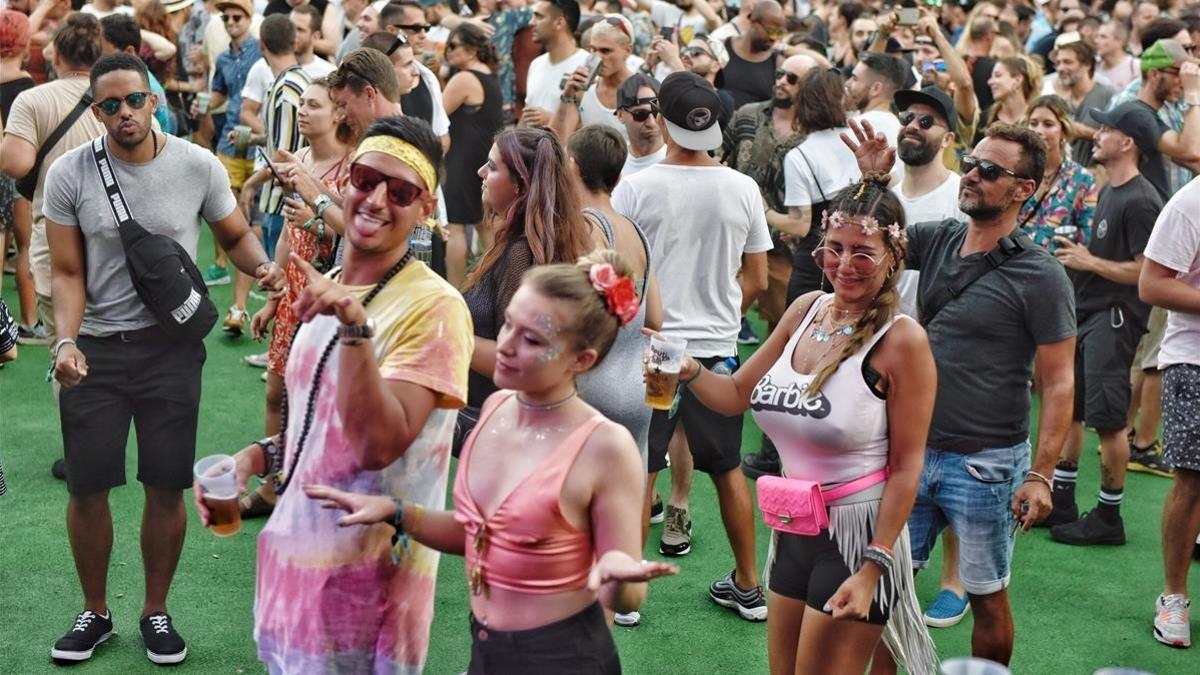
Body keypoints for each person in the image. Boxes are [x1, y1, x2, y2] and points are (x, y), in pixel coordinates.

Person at [308, 250, 677, 673]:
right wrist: (397, 512)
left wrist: (618, 575)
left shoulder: (605, 447)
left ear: (582, 360)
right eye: (508, 325)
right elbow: (479, 534)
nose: (505, 345)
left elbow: (626, 592)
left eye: (532, 339)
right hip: (487, 653)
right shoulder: (496, 407)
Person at [197, 116, 473, 673]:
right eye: (366, 178)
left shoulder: (435, 307)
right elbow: (321, 429)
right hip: (291, 572)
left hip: (365, 596)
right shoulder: (335, 284)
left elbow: (377, 444)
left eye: (400, 191)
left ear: (425, 209)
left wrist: (354, 328)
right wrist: (258, 456)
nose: (374, 199)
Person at [44, 52, 280, 665]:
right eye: (109, 105)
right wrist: (66, 342)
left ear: (154, 98)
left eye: (133, 99)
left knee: (165, 485)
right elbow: (68, 274)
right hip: (94, 351)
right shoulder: (70, 174)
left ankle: (156, 612)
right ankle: (95, 612)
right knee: (89, 487)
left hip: (172, 352)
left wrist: (264, 267)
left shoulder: (197, 164)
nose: (123, 112)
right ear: (96, 112)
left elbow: (232, 235)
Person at [678, 172, 938, 675]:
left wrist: (874, 568)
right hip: (793, 526)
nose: (844, 264)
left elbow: (908, 467)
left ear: (892, 259)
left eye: (863, 252)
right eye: (834, 248)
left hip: (857, 536)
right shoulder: (805, 310)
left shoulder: (902, 340)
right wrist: (686, 369)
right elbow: (735, 395)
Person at [844, 121, 1076, 666]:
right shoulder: (940, 237)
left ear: (1024, 189)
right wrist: (875, 184)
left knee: (988, 597)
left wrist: (1041, 474)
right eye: (972, 162)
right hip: (910, 452)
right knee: (882, 590)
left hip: (987, 463)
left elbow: (1060, 381)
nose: (971, 174)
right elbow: (868, 238)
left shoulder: (1041, 276)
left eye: (990, 170)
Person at [613, 71, 770, 618]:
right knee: (726, 469)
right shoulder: (742, 187)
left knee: (644, 466)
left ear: (664, 120)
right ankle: (750, 585)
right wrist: (723, 316)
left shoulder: (636, 187)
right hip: (717, 349)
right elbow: (758, 279)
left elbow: (620, 271)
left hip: (655, 347)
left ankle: (630, 597)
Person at [1043, 105, 1164, 547]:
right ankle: (1063, 499)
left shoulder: (1141, 199)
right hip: (1090, 312)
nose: (1096, 134)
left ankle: (1109, 518)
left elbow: (1148, 272)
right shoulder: (1111, 189)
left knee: (1110, 422)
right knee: (1073, 409)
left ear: (1127, 143)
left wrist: (1087, 260)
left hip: (1114, 319)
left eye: (1107, 129)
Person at [568, 124, 664, 626]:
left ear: (575, 169)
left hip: (594, 383)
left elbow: (583, 313)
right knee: (626, 498)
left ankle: (592, 610)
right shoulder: (636, 229)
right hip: (637, 384)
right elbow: (657, 318)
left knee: (580, 515)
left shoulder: (586, 224)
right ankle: (623, 595)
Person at [244, 77, 351, 518]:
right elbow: (290, 229)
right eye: (301, 104)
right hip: (292, 292)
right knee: (276, 394)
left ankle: (311, 489)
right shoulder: (302, 157)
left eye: (314, 105)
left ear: (339, 113)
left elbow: (347, 238)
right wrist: (273, 292)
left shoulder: (349, 167)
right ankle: (272, 488)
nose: (302, 111)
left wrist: (315, 220)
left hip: (326, 293)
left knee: (318, 400)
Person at [458, 127, 594, 448]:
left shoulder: (522, 253)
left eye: (491, 167)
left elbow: (519, 357)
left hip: (508, 431)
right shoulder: (529, 241)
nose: (480, 172)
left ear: (519, 184)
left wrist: (448, 331)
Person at [721, 52, 815, 479]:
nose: (781, 82)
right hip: (729, 246)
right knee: (716, 327)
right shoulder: (745, 115)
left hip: (783, 256)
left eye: (793, 79)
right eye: (780, 74)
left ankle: (776, 444)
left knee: (786, 348)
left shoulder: (816, 136)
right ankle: (708, 412)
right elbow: (719, 161)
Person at [1, 11, 106, 356]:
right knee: (111, 341)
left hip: (56, 236)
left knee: (65, 346)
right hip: (113, 231)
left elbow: (15, 164)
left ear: (56, 55)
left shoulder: (34, 99)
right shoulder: (121, 98)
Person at [1140, 174, 1200, 649]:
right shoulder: (1191, 202)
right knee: (1193, 481)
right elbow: (1152, 284)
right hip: (1194, 361)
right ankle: (1174, 596)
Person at [783, 67, 860, 305]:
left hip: (816, 260)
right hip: (859, 252)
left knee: (800, 332)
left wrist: (764, 211)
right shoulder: (860, 137)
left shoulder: (800, 155)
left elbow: (799, 225)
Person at [441, 22, 502, 289]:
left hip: (461, 160)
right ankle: (496, 283)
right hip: (482, 158)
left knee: (455, 228)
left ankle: (455, 289)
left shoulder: (464, 78)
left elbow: (437, 116)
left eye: (453, 46)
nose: (448, 52)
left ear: (472, 50)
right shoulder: (489, 75)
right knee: (482, 225)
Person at [1108, 39, 1200, 202]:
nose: (1184, 81)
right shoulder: (1131, 108)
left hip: (1174, 203)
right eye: (1178, 73)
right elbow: (1190, 150)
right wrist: (1192, 94)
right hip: (1146, 209)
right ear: (1154, 74)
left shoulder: (1169, 102)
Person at [1018, 94, 1098, 252]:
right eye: (1033, 123)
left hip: (1054, 270)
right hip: (1011, 267)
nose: (1039, 131)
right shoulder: (1015, 171)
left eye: (1048, 124)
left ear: (1063, 131)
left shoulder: (1082, 179)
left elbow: (1086, 239)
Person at [553, 13, 634, 142]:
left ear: (628, 50)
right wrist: (567, 96)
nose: (597, 57)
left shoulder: (644, 89)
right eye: (593, 50)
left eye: (605, 51)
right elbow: (558, 141)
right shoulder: (583, 91)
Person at [843, 52, 907, 182]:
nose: (847, 84)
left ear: (876, 88)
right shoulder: (899, 127)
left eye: (855, 79)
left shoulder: (856, 128)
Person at [1048, 39, 1113, 166]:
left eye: (1067, 62)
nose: (1060, 68)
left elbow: (1122, 140)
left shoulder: (1108, 95)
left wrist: (1085, 132)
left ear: (1087, 65)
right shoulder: (1062, 104)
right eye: (1058, 63)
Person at [522, 0, 586, 126]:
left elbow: (596, 125)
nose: (531, 23)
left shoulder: (585, 65)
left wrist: (552, 118)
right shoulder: (536, 64)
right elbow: (526, 119)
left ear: (559, 23)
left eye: (538, 16)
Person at [720, 0, 783, 110]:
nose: (774, 38)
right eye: (770, 31)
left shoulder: (777, 62)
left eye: (779, 33)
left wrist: (785, 48)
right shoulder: (722, 47)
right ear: (753, 22)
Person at [614, 73, 665, 176]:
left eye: (656, 113)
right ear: (620, 115)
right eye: (641, 114)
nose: (651, 122)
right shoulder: (613, 163)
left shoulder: (679, 160)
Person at [984, 55, 1042, 130]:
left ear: (1017, 80)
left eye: (997, 75)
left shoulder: (1037, 118)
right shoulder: (985, 119)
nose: (989, 82)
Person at [289, 4, 336, 78]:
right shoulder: (269, 66)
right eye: (290, 27)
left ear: (315, 37)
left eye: (300, 30)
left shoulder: (328, 73)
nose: (293, 33)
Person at [1094, 20, 1140, 92]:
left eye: (1103, 37)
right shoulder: (1094, 66)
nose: (1096, 41)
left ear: (1119, 42)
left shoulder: (1135, 67)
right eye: (1096, 36)